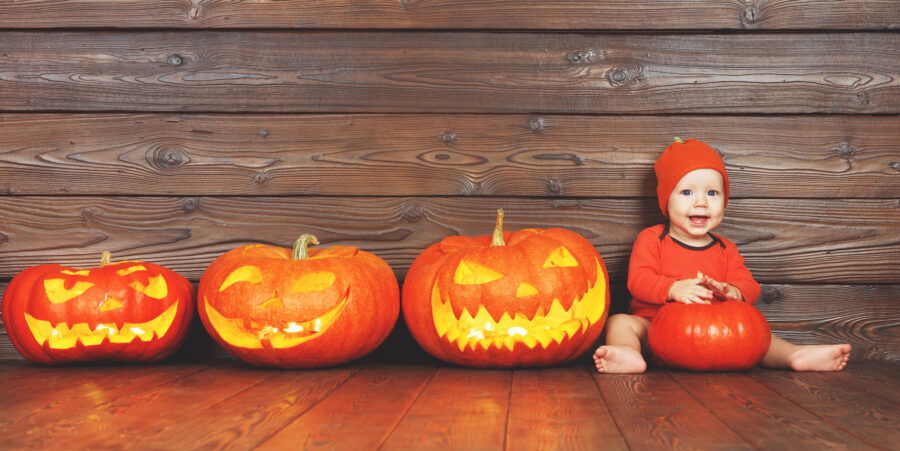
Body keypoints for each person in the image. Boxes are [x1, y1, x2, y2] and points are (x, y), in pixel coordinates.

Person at [594, 138, 851, 373]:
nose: (701, 202)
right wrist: (673, 289)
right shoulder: (653, 239)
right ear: (666, 201)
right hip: (657, 331)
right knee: (620, 322)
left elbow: (750, 286)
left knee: (756, 334)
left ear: (724, 200)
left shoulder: (725, 248)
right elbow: (638, 281)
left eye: (712, 193)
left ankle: (795, 355)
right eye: (686, 192)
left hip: (716, 335)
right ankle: (629, 354)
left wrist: (732, 292)